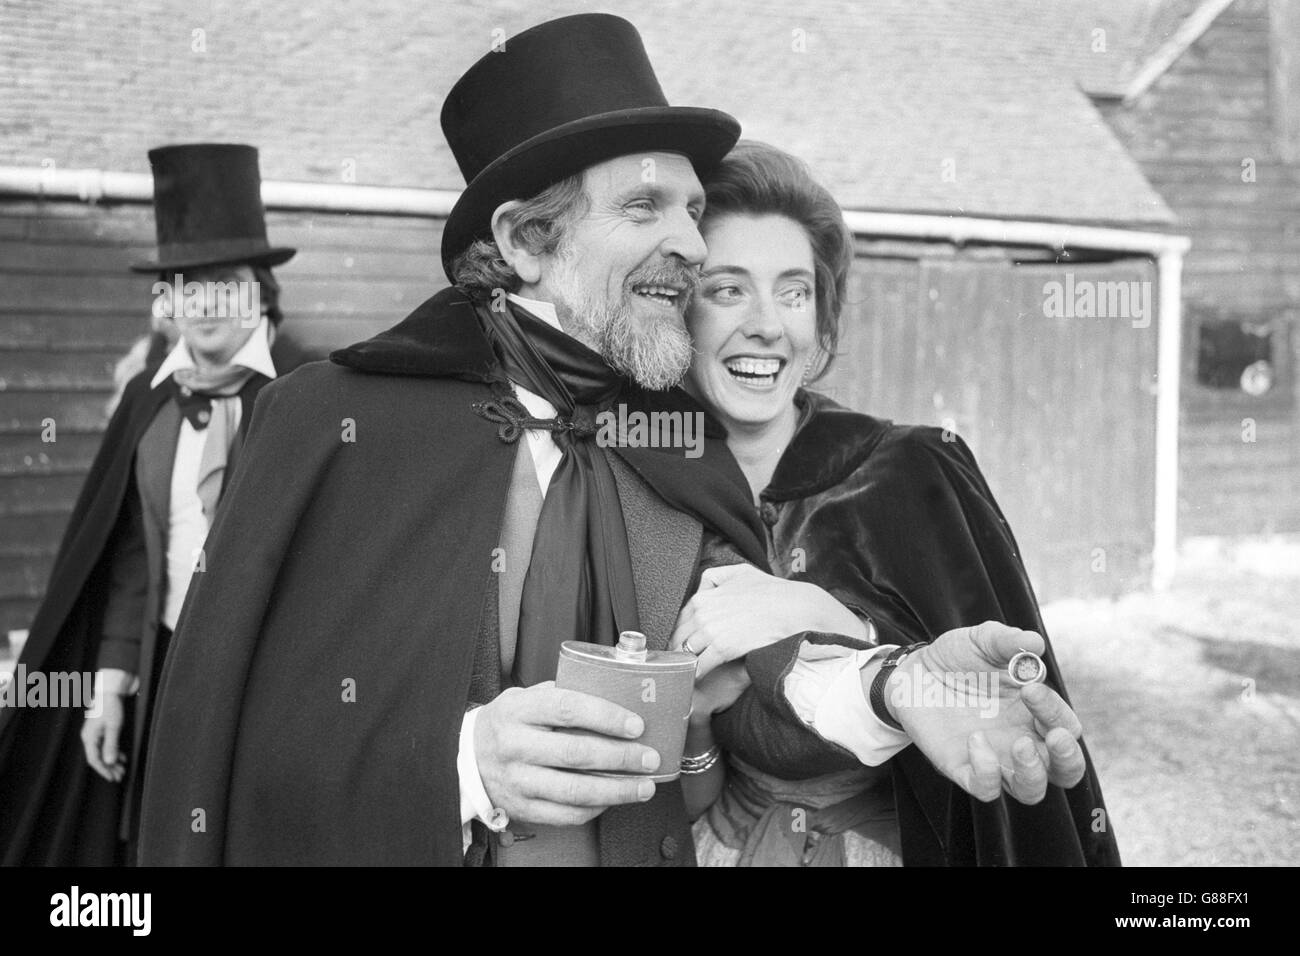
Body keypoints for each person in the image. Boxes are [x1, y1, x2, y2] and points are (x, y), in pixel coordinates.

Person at [138, 16, 1095, 867]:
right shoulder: (332, 422)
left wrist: (894, 685)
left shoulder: (673, 440)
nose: (689, 242)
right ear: (522, 241)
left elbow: (763, 686)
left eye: (690, 208)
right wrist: (461, 763)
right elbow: (231, 738)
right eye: (645, 208)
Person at [669, 141, 1121, 866]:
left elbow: (991, 738)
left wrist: (821, 615)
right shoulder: (652, 494)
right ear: (680, 313)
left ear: (821, 323)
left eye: (794, 291)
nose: (766, 323)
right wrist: (691, 720)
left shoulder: (911, 471)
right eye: (728, 289)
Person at [0, 143, 299, 865]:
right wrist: (107, 686)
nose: (203, 304)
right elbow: (127, 555)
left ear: (258, 290)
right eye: (184, 285)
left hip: (264, 679)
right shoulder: (147, 400)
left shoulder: (305, 399)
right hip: (161, 657)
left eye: (222, 282)